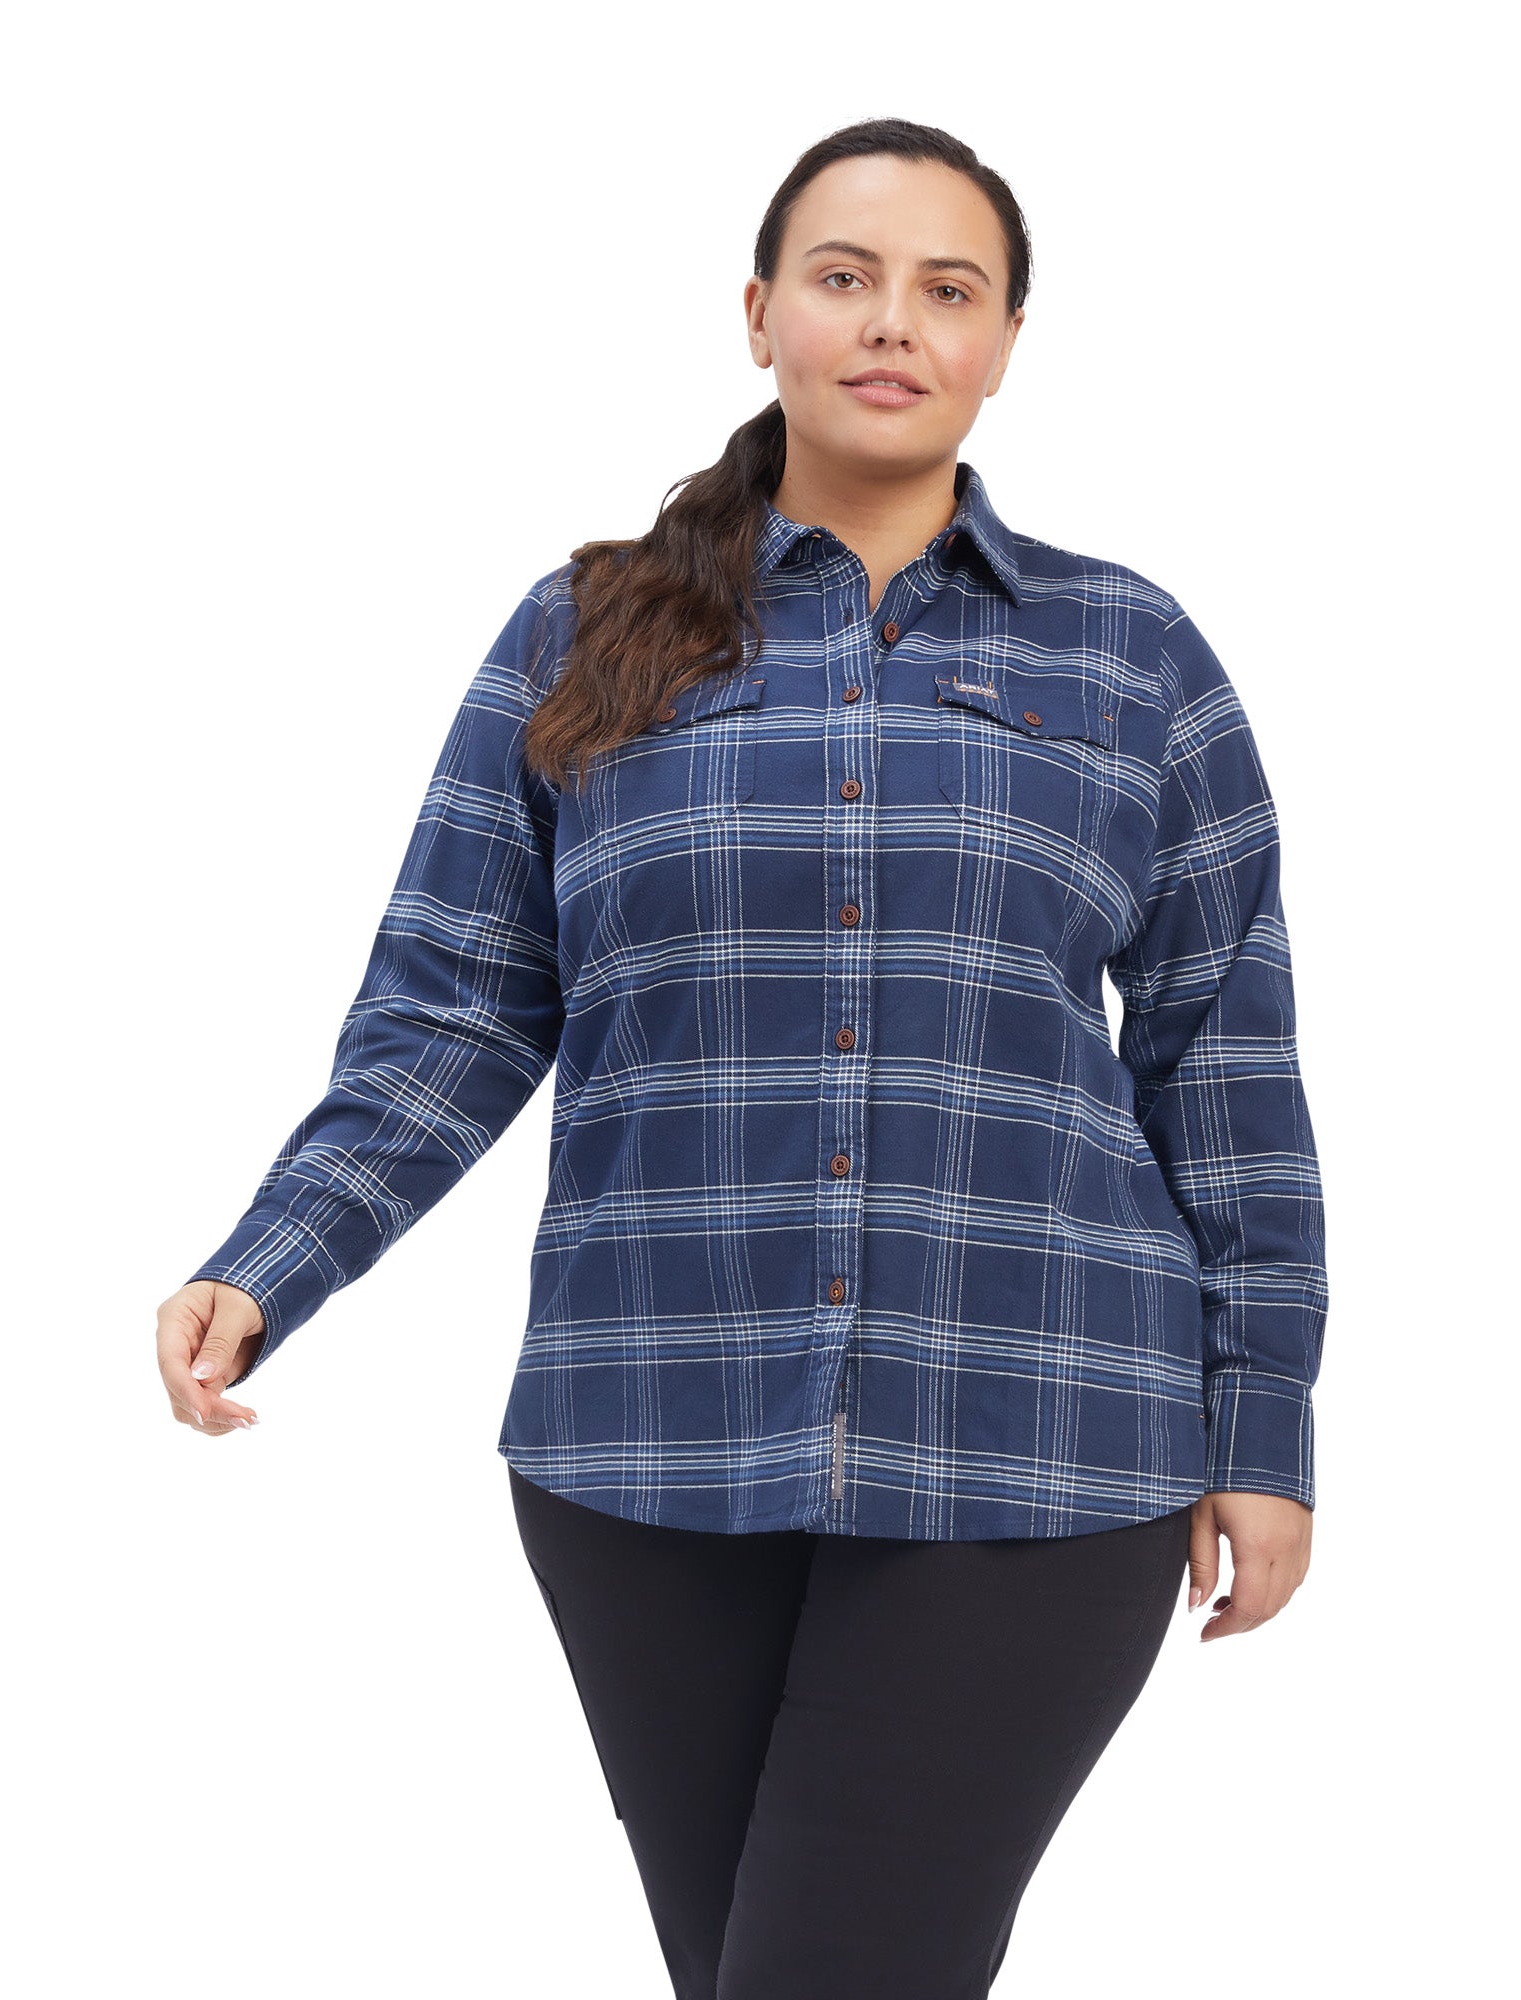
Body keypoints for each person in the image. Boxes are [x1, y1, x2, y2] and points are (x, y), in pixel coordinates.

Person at [155, 116, 1328, 1999]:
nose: (894, 322)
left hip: (1042, 1439)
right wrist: (271, 1258)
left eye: (949, 288)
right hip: (646, 1445)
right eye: (846, 277)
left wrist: (1264, 1426)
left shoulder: (1130, 656)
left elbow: (1226, 1063)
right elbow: (458, 1002)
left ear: (1006, 342)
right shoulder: (588, 629)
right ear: (761, 312)